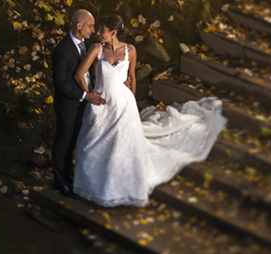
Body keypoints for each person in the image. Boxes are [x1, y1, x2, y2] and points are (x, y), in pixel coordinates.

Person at [71, 14, 227, 207]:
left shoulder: (130, 50)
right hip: (101, 104)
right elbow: (79, 74)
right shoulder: (97, 49)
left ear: (113, 32)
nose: (98, 33)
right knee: (92, 144)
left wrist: (131, 97)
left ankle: (118, 187)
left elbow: (132, 77)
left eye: (102, 30)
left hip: (124, 106)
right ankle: (93, 186)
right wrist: (89, 95)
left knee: (122, 146)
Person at [49, 10, 105, 196]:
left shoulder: (88, 44)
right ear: (79, 25)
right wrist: (84, 95)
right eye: (90, 26)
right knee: (63, 141)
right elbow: (60, 83)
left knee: (73, 140)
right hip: (68, 103)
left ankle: (69, 174)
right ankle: (60, 181)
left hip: (83, 102)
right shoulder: (62, 50)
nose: (93, 29)